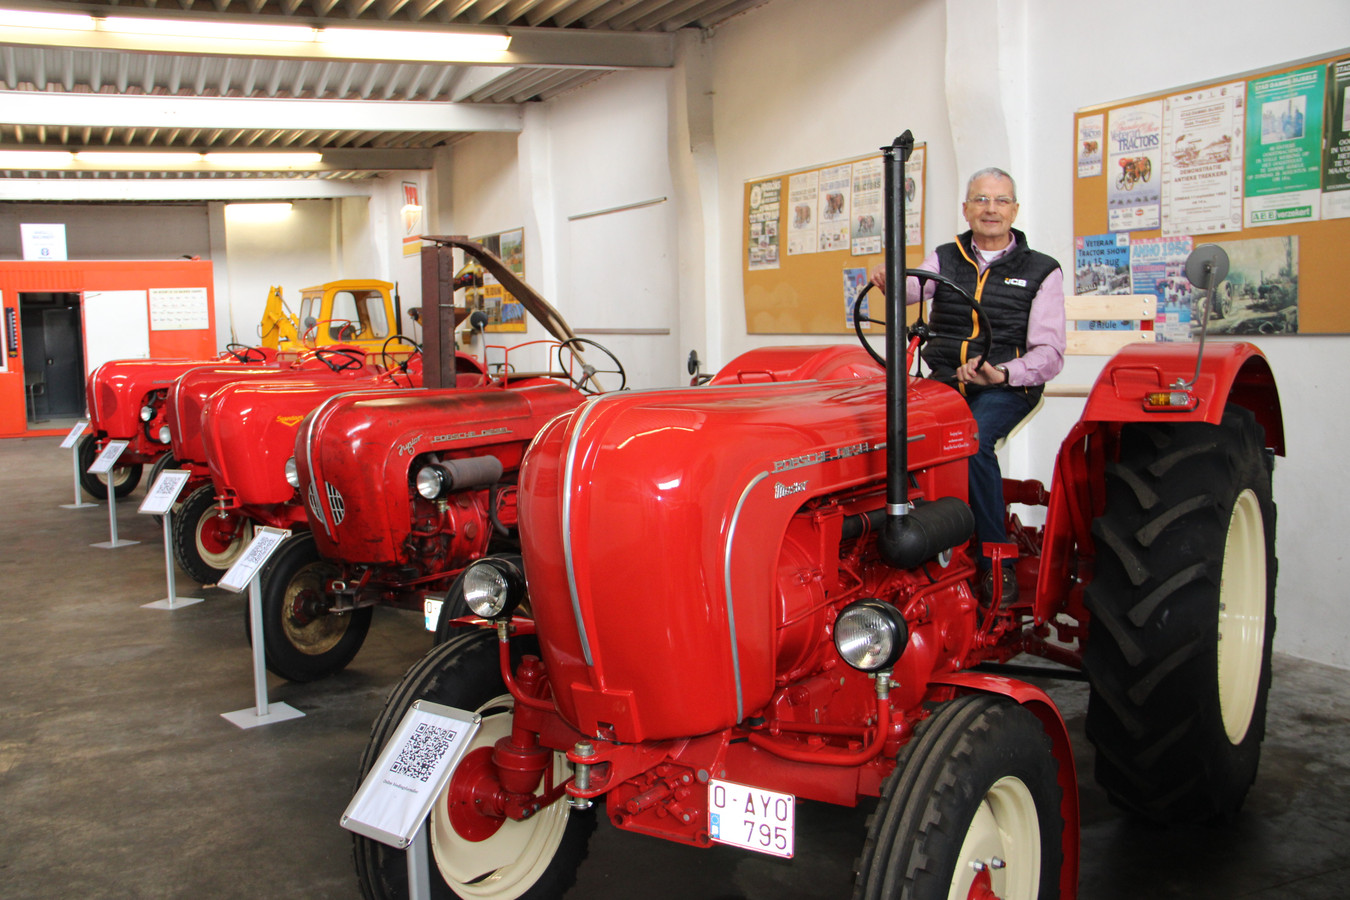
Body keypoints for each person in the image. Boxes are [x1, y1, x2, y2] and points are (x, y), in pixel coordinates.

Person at [871, 167, 1065, 605]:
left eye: (999, 201)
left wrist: (1003, 373)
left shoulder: (1041, 270)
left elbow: (1049, 353)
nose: (990, 209)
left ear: (1014, 210)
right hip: (945, 381)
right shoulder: (948, 255)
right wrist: (890, 279)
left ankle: (998, 561)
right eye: (980, 200)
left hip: (1007, 384)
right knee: (895, 432)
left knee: (971, 440)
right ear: (966, 208)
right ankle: (913, 544)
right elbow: (912, 288)